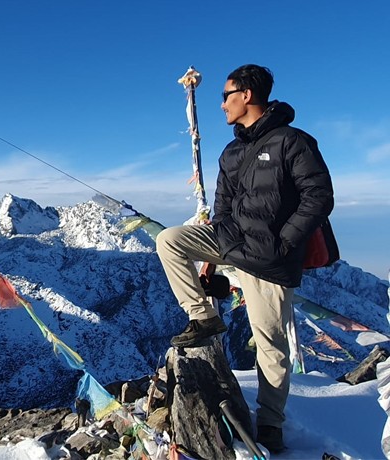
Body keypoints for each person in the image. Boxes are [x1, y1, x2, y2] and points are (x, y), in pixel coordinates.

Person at [156, 64, 334, 454]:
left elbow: (318, 197)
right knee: (170, 240)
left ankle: (270, 422)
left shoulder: (293, 142)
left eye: (225, 95)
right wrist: (218, 255)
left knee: (270, 345)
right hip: (231, 243)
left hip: (271, 259)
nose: (221, 104)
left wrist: (284, 242)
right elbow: (222, 208)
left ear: (247, 95)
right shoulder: (233, 151)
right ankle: (202, 317)